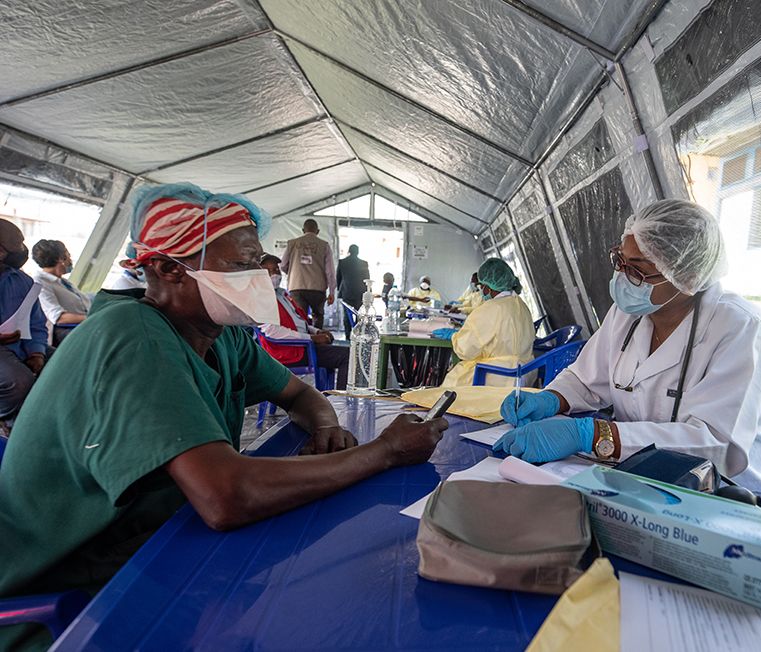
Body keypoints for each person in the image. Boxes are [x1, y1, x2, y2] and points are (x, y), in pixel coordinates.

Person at [0, 183, 447, 651]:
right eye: (239, 265)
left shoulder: (218, 334)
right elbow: (226, 495)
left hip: (150, 554)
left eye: (259, 262)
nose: (260, 277)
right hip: (74, 608)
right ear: (168, 268)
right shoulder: (130, 336)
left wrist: (326, 426)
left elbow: (301, 393)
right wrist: (385, 453)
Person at [492, 200, 761, 549]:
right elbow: (587, 378)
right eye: (620, 260)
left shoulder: (739, 327)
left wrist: (590, 434)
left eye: (639, 269)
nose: (622, 278)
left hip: (747, 503)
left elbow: (716, 445)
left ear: (689, 277)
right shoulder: (626, 314)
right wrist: (550, 398)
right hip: (652, 486)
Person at [258, 253, 350, 390]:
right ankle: (342, 404)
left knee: (342, 351)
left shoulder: (281, 294)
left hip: (302, 345)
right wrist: (311, 338)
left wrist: (317, 331)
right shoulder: (261, 298)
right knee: (347, 356)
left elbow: (299, 321)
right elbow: (273, 332)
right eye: (268, 271)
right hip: (288, 351)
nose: (275, 274)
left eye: (276, 269)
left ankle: (330, 395)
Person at [437, 259, 535, 387]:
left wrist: (455, 337)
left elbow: (466, 350)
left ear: (488, 287)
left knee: (452, 384)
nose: (481, 289)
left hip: (496, 375)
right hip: (526, 372)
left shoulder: (490, 309)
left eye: (481, 285)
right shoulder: (521, 305)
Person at [0, 220, 47, 434]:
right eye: (15, 246)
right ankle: (5, 420)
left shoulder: (23, 282)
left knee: (67, 361)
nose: (21, 252)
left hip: (19, 344)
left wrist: (36, 353)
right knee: (20, 381)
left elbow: (36, 323)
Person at [32, 239, 91, 345]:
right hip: (66, 332)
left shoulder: (63, 282)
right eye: (68, 256)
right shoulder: (40, 283)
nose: (70, 260)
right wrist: (92, 318)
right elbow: (58, 318)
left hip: (82, 325)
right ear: (61, 259)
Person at [280, 219, 336, 330]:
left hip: (296, 287)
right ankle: (318, 342)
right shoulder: (324, 245)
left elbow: (282, 265)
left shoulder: (292, 243)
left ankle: (303, 342)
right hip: (318, 288)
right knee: (318, 316)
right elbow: (330, 271)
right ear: (318, 231)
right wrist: (332, 292)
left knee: (300, 317)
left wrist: (292, 273)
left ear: (302, 230)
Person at [335, 244, 370, 340]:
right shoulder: (364, 263)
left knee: (347, 315)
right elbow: (367, 279)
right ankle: (358, 336)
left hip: (346, 292)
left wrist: (340, 290)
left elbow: (338, 278)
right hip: (360, 293)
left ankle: (347, 336)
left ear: (349, 251)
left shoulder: (342, 262)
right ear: (358, 252)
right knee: (360, 315)